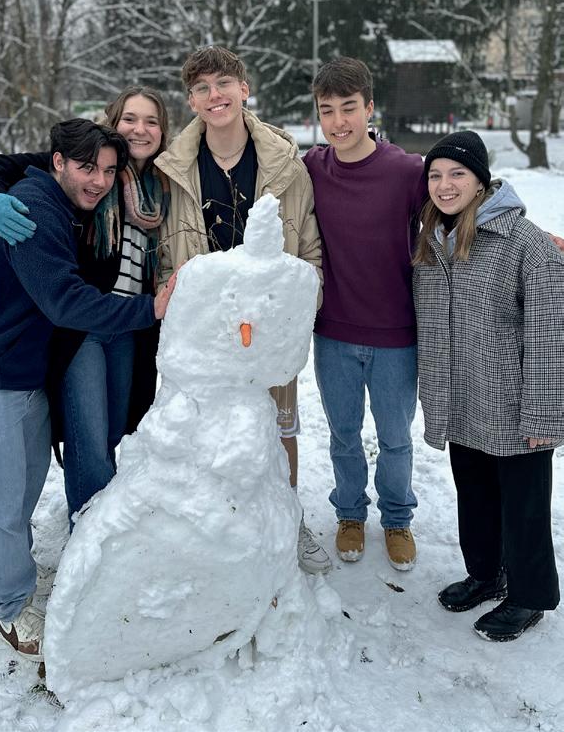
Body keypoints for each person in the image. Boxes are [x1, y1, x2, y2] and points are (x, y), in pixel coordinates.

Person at [0, 118, 176, 662]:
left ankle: (10, 569)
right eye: (87, 167)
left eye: (108, 171)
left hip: (20, 370)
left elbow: (15, 163)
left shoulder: (63, 198)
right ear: (59, 163)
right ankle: (9, 603)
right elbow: (64, 301)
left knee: (21, 489)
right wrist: (152, 309)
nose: (98, 180)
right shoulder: (35, 209)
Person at [154, 45, 330, 575]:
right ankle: (216, 530)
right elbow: (164, 255)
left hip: (267, 329)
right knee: (204, 431)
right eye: (202, 88)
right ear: (191, 101)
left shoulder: (285, 165)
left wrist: (296, 310)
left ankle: (288, 522)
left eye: (224, 84)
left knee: (279, 427)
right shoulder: (172, 169)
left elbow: (310, 250)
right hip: (204, 331)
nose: (215, 96)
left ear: (244, 89)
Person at [0, 87, 170, 526]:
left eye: (151, 121)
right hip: (83, 325)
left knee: (116, 426)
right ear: (113, 122)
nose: (140, 129)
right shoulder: (88, 166)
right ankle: (91, 534)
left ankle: (102, 513)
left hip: (131, 324)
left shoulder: (166, 180)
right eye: (130, 118)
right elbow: (4, 166)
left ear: (163, 130)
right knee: (88, 433)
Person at [413, 129, 563, 641]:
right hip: (462, 396)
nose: (445, 185)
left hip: (514, 403)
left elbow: (549, 334)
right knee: (474, 494)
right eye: (435, 175)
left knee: (523, 505)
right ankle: (486, 573)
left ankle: (530, 595)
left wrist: (543, 414)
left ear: (481, 181)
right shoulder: (432, 238)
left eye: (457, 174)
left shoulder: (525, 244)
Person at [303, 57, 427, 571]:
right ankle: (350, 513)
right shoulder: (312, 169)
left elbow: (461, 200)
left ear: (369, 108)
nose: (339, 122)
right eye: (327, 110)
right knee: (344, 435)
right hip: (333, 332)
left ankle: (397, 519)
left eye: (349, 108)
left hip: (396, 334)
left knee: (395, 439)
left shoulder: (405, 171)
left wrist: (529, 233)